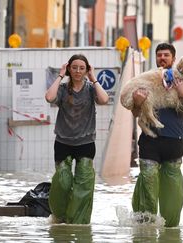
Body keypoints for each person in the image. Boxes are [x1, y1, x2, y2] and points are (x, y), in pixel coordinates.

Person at [128, 43, 183, 227]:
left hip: (174, 141)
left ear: (173, 58)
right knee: (148, 180)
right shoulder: (146, 81)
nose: (162, 58)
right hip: (150, 141)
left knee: (172, 190)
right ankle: (145, 225)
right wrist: (137, 103)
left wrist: (182, 95)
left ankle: (170, 227)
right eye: (159, 55)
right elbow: (136, 113)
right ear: (155, 58)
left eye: (166, 55)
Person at [44, 54, 109, 224]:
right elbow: (49, 97)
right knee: (62, 182)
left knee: (84, 185)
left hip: (85, 143)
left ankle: (78, 223)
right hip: (63, 142)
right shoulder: (63, 89)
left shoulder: (90, 88)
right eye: (74, 67)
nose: (78, 71)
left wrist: (93, 77)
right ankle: (60, 217)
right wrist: (60, 75)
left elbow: (104, 99)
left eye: (82, 68)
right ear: (69, 69)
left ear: (86, 70)